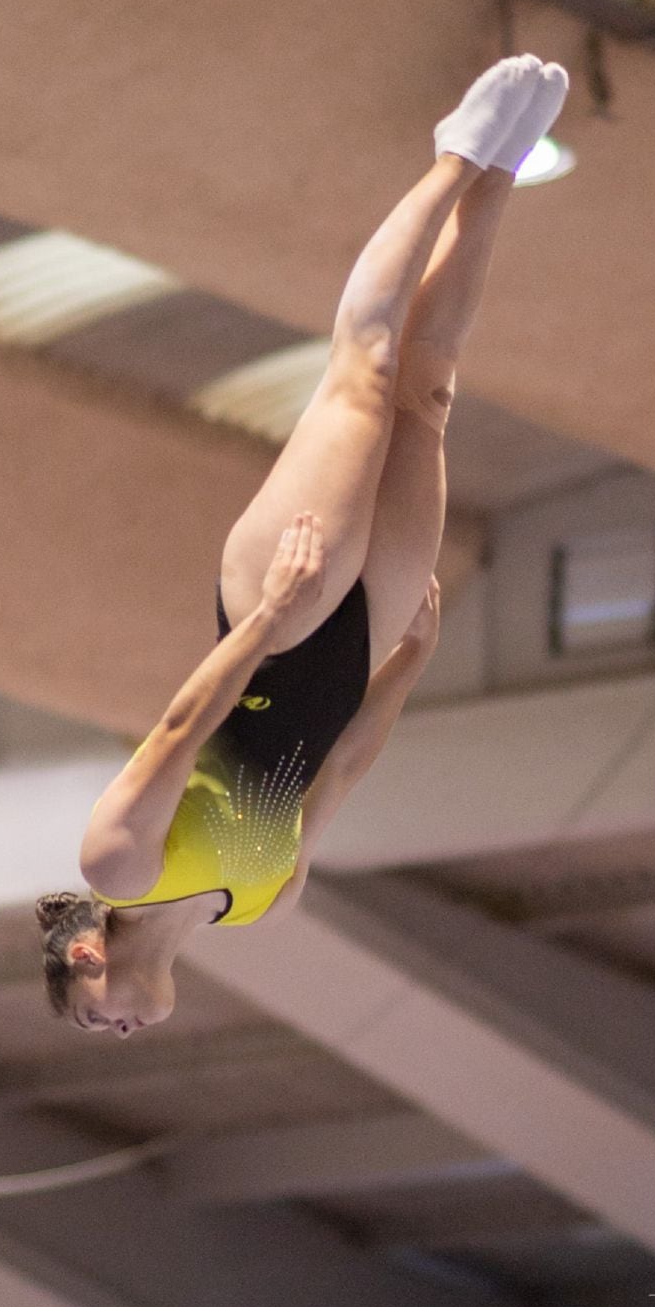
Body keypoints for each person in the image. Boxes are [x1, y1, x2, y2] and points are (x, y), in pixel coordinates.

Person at [36, 54, 569, 1037]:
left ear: (85, 955)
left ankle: (454, 155)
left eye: (91, 1016)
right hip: (358, 641)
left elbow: (182, 726)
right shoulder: (264, 901)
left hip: (277, 627)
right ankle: (502, 167)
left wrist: (273, 616)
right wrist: (410, 665)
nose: (116, 1032)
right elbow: (342, 769)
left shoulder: (115, 863)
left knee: (365, 369)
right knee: (431, 393)